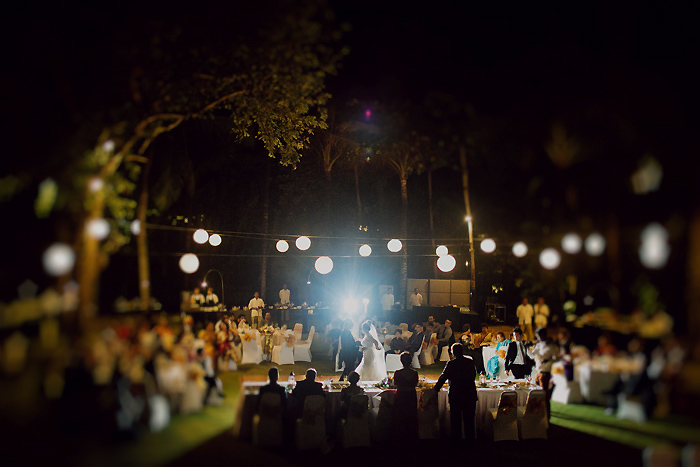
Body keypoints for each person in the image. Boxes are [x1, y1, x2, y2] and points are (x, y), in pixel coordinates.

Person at [433, 343, 477, 445]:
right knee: (469, 420)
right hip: (469, 393)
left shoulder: (451, 364)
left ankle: (456, 442)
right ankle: (470, 442)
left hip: (456, 394)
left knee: (456, 420)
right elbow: (473, 375)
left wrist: (436, 388)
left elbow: (443, 377)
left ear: (453, 353)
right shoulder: (469, 362)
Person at [528, 327, 558, 420]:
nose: (539, 338)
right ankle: (538, 415)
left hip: (546, 372)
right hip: (538, 371)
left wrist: (547, 361)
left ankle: (546, 417)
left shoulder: (551, 346)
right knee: (537, 394)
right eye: (537, 336)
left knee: (544, 395)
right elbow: (532, 355)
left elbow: (556, 359)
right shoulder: (538, 345)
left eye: (540, 336)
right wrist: (528, 348)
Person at [394, 351, 419, 440]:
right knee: (411, 414)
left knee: (401, 414)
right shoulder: (414, 373)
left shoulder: (398, 373)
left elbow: (395, 384)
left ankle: (401, 433)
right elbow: (415, 384)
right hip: (411, 395)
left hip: (401, 395)